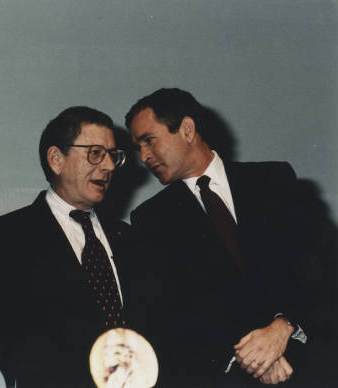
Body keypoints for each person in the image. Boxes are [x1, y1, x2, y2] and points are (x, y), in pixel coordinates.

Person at [124, 88, 309, 387]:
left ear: (187, 129)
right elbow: (170, 320)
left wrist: (283, 327)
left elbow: (318, 270)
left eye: (149, 140)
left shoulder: (274, 180)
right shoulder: (150, 219)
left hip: (307, 365)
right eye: (138, 147)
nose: (143, 156)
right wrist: (252, 357)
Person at [0, 106, 130, 387]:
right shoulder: (9, 235)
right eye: (95, 153)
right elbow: (10, 335)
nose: (108, 166)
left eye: (112, 155)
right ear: (56, 160)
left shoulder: (130, 237)